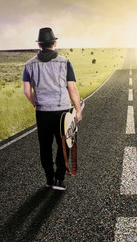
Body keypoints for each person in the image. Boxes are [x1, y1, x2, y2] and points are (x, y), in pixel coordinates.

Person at [22, 27, 82, 191]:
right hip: (62, 112)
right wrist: (78, 110)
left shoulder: (29, 65)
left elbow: (27, 91)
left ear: (39, 45)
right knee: (64, 144)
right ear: (54, 43)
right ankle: (60, 180)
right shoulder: (65, 62)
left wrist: (36, 104)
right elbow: (72, 88)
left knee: (45, 147)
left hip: (42, 113)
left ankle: (49, 178)